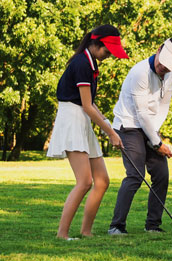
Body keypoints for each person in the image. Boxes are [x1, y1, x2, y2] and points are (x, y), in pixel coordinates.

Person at [46, 24, 127, 240]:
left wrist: (108, 125)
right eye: (108, 50)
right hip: (72, 120)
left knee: (102, 181)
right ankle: (62, 234)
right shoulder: (82, 63)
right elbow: (86, 105)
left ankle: (86, 232)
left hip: (81, 118)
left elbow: (90, 105)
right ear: (95, 44)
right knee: (85, 181)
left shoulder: (91, 63)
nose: (109, 55)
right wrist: (110, 133)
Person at [108, 37, 172, 235]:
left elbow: (163, 106)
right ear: (159, 49)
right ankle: (116, 226)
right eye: (162, 64)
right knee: (135, 175)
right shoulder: (139, 72)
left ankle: (153, 226)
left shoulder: (171, 74)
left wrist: (156, 138)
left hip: (150, 126)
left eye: (168, 67)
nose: (163, 68)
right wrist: (157, 142)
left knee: (161, 174)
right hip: (128, 125)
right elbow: (141, 113)